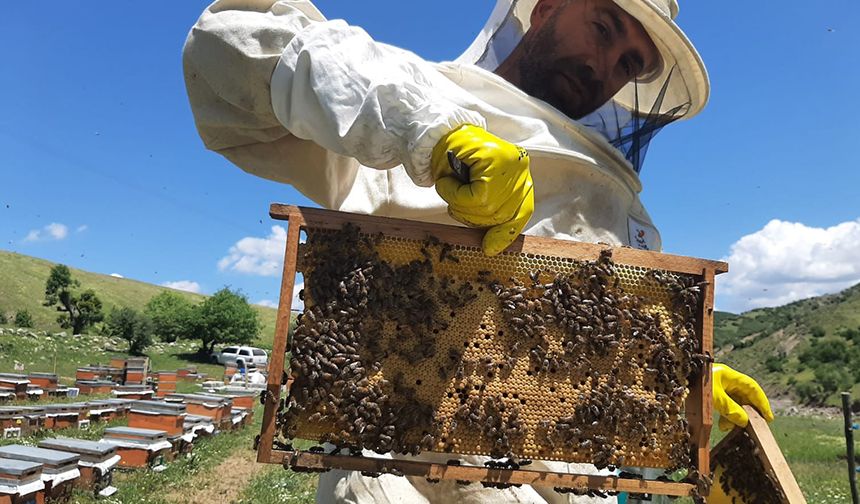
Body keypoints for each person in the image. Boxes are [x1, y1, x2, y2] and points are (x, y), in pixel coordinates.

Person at [183, 0, 773, 502]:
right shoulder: (414, 91)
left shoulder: (614, 200)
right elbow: (225, 47)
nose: (604, 68)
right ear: (545, 6)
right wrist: (434, 136)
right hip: (394, 463)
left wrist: (671, 378)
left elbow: (587, 355)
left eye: (629, 64)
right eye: (601, 27)